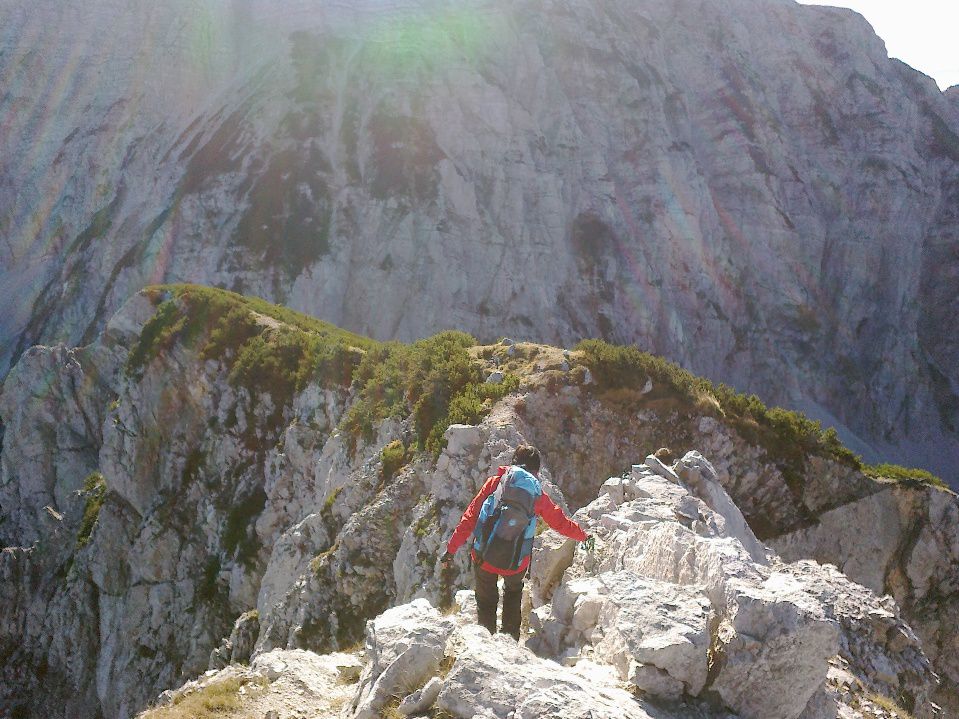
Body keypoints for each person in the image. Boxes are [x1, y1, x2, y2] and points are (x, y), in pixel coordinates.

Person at [441, 445, 588, 640]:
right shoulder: (536, 495)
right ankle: (509, 641)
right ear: (536, 471)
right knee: (513, 594)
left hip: (484, 555)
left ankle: (485, 642)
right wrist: (583, 536)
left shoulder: (494, 483)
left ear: (514, 462)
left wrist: (451, 550)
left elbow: (470, 518)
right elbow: (560, 523)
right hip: (517, 561)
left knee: (486, 601)